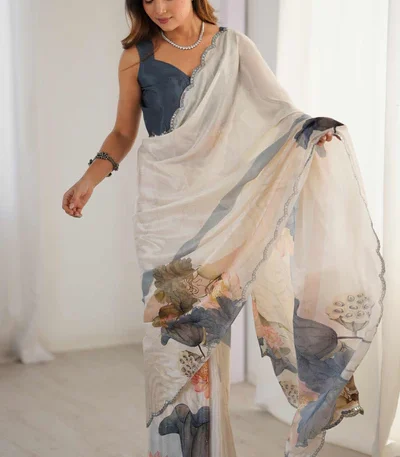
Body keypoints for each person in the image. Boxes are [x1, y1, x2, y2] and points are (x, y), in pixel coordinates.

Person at [62, 1, 386, 456]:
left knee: (210, 340)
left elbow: (278, 112)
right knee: (171, 347)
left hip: (223, 213)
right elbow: (122, 133)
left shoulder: (233, 47)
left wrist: (310, 131)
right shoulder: (136, 56)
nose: (158, 7)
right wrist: (88, 180)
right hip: (164, 217)